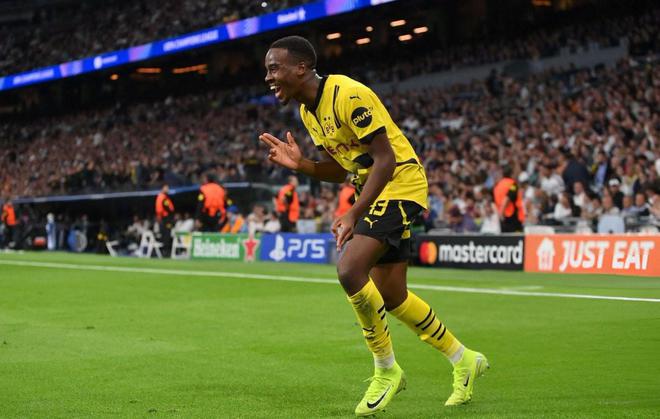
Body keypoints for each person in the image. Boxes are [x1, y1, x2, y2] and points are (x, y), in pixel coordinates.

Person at [259, 35, 488, 416]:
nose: (268, 77)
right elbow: (344, 168)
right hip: (376, 189)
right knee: (393, 295)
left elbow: (385, 159)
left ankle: (386, 370)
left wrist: (353, 212)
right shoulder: (308, 113)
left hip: (400, 184)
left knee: (350, 270)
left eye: (274, 68)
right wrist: (301, 165)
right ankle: (463, 359)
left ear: (301, 68)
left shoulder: (347, 94)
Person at [493, 166, 525, 232]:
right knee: (516, 237)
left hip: (503, 218)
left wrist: (500, 215)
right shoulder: (512, 184)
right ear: (511, 174)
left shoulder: (498, 185)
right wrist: (501, 213)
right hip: (512, 217)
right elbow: (507, 198)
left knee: (506, 237)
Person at [155, 184, 175, 255]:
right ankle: (165, 251)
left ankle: (164, 251)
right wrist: (172, 214)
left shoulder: (160, 196)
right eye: (166, 188)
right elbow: (167, 208)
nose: (167, 189)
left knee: (165, 234)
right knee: (167, 234)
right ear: (162, 188)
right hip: (166, 219)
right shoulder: (163, 197)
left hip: (162, 219)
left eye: (168, 188)